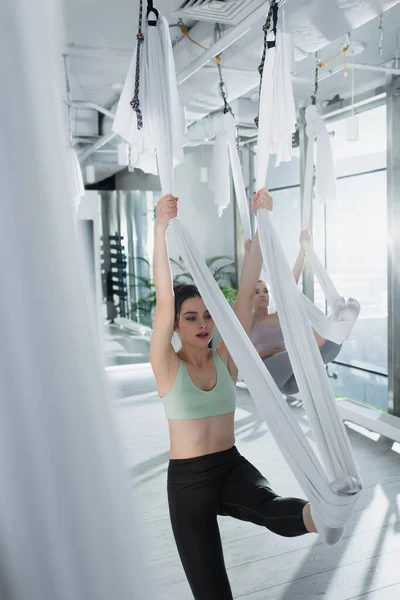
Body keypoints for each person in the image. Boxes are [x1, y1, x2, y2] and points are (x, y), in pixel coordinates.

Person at [150, 189, 318, 600]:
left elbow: (245, 293)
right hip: (188, 484)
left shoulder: (227, 358)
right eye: (191, 318)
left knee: (273, 506)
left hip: (230, 466)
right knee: (212, 590)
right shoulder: (168, 365)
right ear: (176, 325)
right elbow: (164, 298)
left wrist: (261, 223)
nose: (202, 324)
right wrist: (160, 228)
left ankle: (327, 515)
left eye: (208, 315)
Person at [249, 230, 326, 360]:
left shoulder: (280, 316)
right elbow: (246, 285)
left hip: (287, 363)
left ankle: (330, 335)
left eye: (266, 291)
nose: (262, 295)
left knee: (318, 342)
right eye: (257, 292)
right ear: (250, 297)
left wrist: (303, 250)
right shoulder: (249, 321)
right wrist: (249, 255)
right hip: (265, 370)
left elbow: (292, 283)